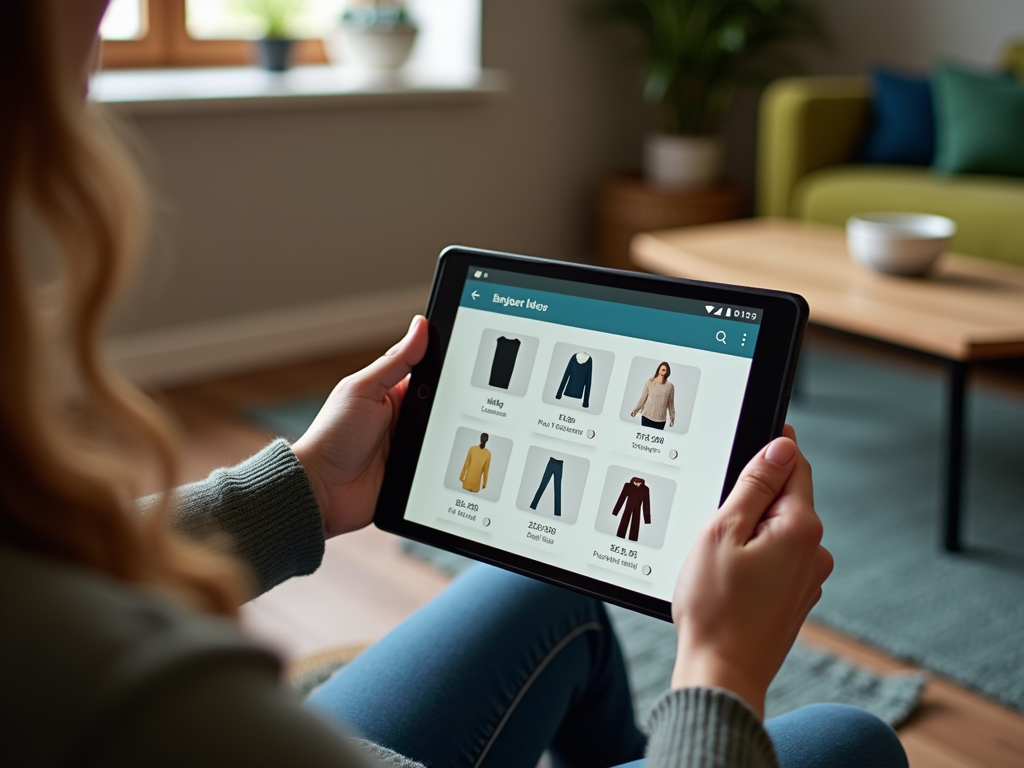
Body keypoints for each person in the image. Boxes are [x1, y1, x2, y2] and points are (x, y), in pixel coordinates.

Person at [0, 2, 909, 767]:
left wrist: (305, 487)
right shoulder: (132, 698)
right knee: (847, 738)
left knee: (541, 582)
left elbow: (66, 575)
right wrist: (717, 674)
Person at [632, 362, 676, 430]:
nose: (663, 372)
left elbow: (670, 404)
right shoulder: (650, 382)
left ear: (668, 372)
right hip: (646, 416)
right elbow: (643, 398)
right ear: (658, 370)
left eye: (665, 370)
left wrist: (672, 418)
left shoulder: (670, 387)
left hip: (660, 420)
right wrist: (635, 410)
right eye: (662, 369)